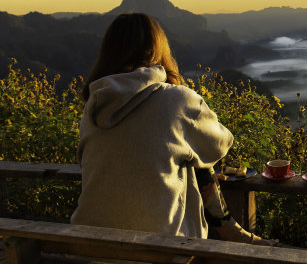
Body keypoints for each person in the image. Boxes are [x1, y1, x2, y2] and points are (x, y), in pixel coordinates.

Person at [71, 12, 275, 245]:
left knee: (182, 152)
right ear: (158, 50)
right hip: (160, 249)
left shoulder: (93, 106)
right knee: (195, 157)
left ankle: (233, 232)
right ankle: (232, 232)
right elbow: (221, 143)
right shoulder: (177, 99)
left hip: (89, 245)